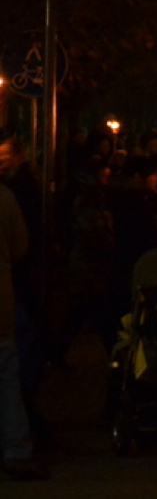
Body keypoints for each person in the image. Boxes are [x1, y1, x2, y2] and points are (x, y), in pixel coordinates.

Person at [0, 181, 44, 480]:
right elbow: (21, 247)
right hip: (0, 301)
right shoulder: (5, 197)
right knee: (5, 379)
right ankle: (16, 449)